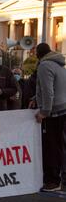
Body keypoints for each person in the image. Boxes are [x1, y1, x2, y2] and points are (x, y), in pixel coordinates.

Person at [34, 43, 66, 192]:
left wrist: (44, 112)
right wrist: (36, 98)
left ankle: (53, 181)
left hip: (53, 113)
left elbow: (48, 91)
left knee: (51, 147)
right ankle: (60, 178)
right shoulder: (59, 64)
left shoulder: (44, 65)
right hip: (63, 109)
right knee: (60, 145)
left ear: (38, 53)